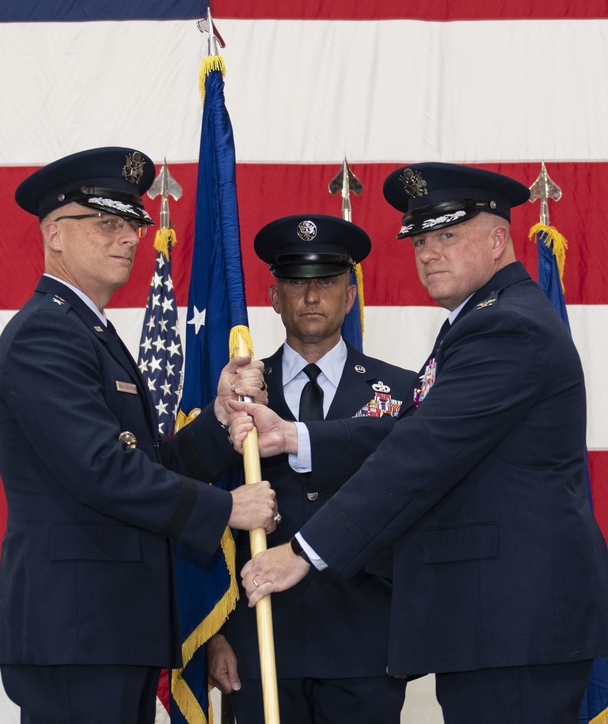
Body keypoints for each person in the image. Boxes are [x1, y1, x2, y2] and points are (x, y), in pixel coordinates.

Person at [231, 164, 608, 723]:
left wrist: (303, 552)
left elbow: (419, 454)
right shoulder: (479, 322)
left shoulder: (506, 327)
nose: (428, 254)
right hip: (492, 624)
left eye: (447, 236)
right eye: (420, 240)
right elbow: (414, 432)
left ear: (498, 241)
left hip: (512, 622)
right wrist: (296, 435)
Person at [0, 146, 278, 724]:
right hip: (76, 627)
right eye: (107, 223)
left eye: (134, 224)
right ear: (55, 235)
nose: (130, 238)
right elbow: (101, 470)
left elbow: (147, 459)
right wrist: (226, 509)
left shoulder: (88, 332)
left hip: (109, 624)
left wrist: (217, 421)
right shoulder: (46, 335)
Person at [207, 215, 416, 724]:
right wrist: (213, 633)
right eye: (297, 284)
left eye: (326, 282)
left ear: (350, 296)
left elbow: (412, 508)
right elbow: (206, 510)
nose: (311, 297)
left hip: (366, 639)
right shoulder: (235, 394)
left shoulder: (403, 394)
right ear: (275, 298)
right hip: (260, 636)